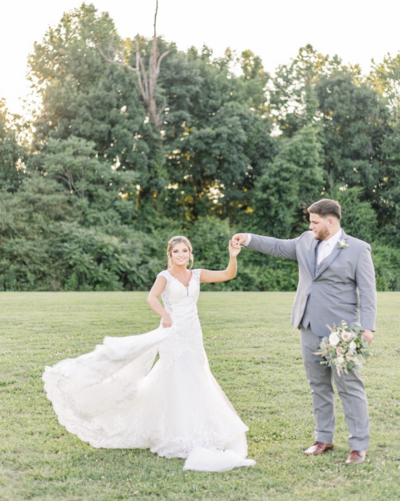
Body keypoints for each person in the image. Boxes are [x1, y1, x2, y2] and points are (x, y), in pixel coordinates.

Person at [43, 236, 255, 472]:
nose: (181, 255)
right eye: (177, 251)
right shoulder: (164, 276)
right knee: (176, 376)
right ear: (170, 255)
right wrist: (165, 315)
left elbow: (228, 274)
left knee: (197, 376)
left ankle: (197, 425)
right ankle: (174, 430)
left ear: (190, 253)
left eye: (185, 250)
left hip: (193, 334)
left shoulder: (197, 275)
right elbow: (151, 298)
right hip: (173, 334)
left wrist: (233, 257)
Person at [232, 199, 376, 464]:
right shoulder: (305, 241)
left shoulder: (357, 249)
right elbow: (277, 246)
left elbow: (367, 291)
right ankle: (323, 439)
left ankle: (358, 446)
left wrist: (368, 328)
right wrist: (248, 238)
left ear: (331, 222)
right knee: (318, 385)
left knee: (349, 387)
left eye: (315, 222)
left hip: (342, 332)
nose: (310, 226)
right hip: (308, 325)